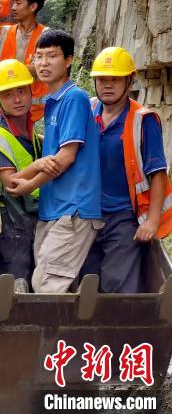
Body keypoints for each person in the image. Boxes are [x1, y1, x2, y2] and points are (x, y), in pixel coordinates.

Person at [6, 30, 102, 294]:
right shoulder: (51, 102)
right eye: (39, 57)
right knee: (57, 284)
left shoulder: (73, 97)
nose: (44, 63)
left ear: (69, 60)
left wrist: (26, 183)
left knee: (46, 284)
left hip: (74, 208)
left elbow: (65, 157)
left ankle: (50, 337)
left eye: (52, 56)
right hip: (54, 208)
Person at [81, 47, 172, 293]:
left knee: (116, 285)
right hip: (88, 213)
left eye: (115, 79)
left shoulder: (144, 120)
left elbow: (158, 173)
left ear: (130, 80)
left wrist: (152, 222)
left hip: (123, 216)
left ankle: (119, 331)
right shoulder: (88, 110)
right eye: (102, 79)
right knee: (85, 282)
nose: (107, 85)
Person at [0, 59, 43, 293]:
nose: (17, 99)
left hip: (32, 210)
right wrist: (41, 165)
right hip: (10, 216)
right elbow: (10, 183)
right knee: (19, 267)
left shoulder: (28, 124)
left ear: (30, 91)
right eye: (8, 95)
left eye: (21, 91)